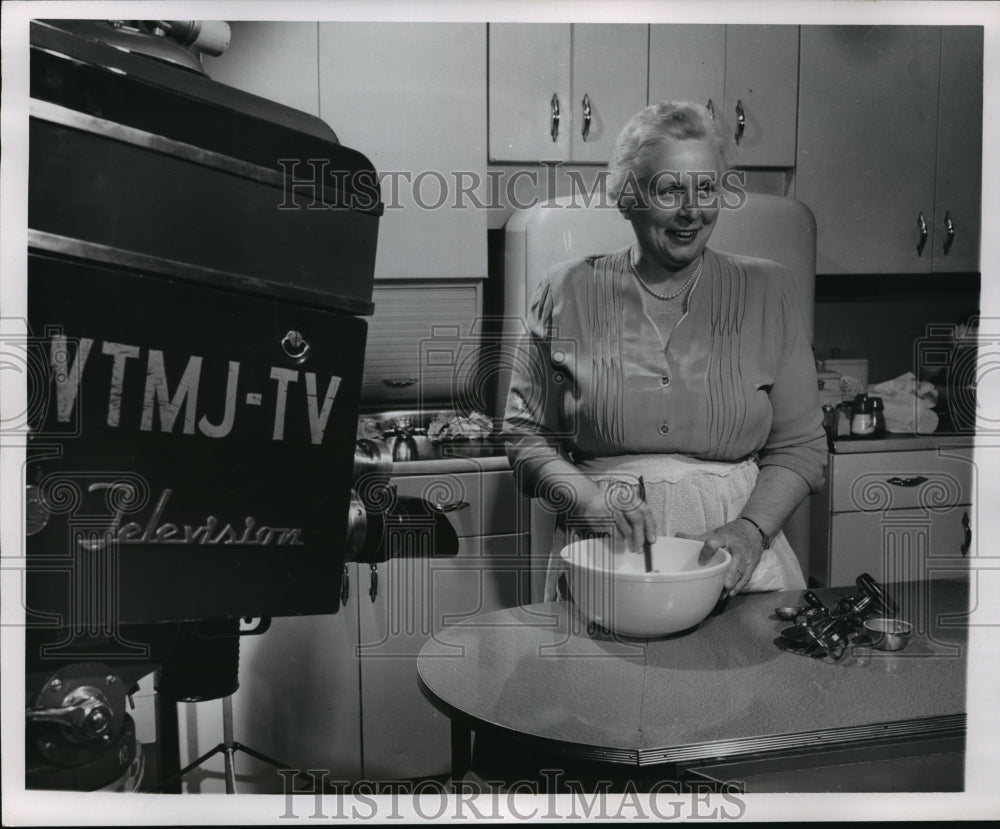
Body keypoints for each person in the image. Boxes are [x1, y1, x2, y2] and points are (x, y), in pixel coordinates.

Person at [503, 101, 827, 601]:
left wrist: (748, 532)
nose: (691, 210)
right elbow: (528, 438)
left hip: (741, 564)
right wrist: (590, 503)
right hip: (605, 560)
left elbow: (801, 447)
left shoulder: (769, 289)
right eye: (670, 189)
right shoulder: (564, 289)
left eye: (706, 189)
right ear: (627, 196)